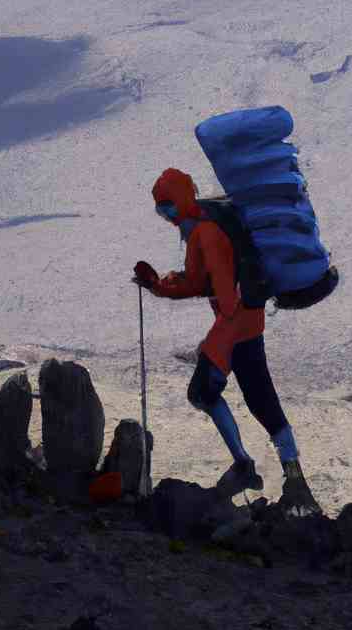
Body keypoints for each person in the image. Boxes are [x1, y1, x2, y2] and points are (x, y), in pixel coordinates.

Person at [132, 167, 320, 516]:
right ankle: (294, 478)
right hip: (247, 322)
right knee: (261, 399)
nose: (167, 216)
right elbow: (196, 282)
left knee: (203, 392)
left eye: (169, 207)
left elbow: (221, 289)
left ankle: (244, 467)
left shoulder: (207, 231)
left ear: (184, 199)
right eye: (161, 210)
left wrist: (215, 341)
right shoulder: (198, 226)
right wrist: (158, 286)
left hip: (235, 323)